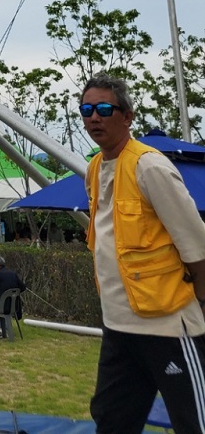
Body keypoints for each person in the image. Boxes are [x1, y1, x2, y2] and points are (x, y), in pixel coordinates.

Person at [82, 71, 205, 433]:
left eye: (104, 108)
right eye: (86, 109)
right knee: (111, 418)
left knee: (194, 421)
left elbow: (196, 245)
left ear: (127, 116)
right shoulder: (94, 168)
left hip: (167, 324)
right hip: (118, 326)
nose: (94, 117)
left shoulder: (149, 167)